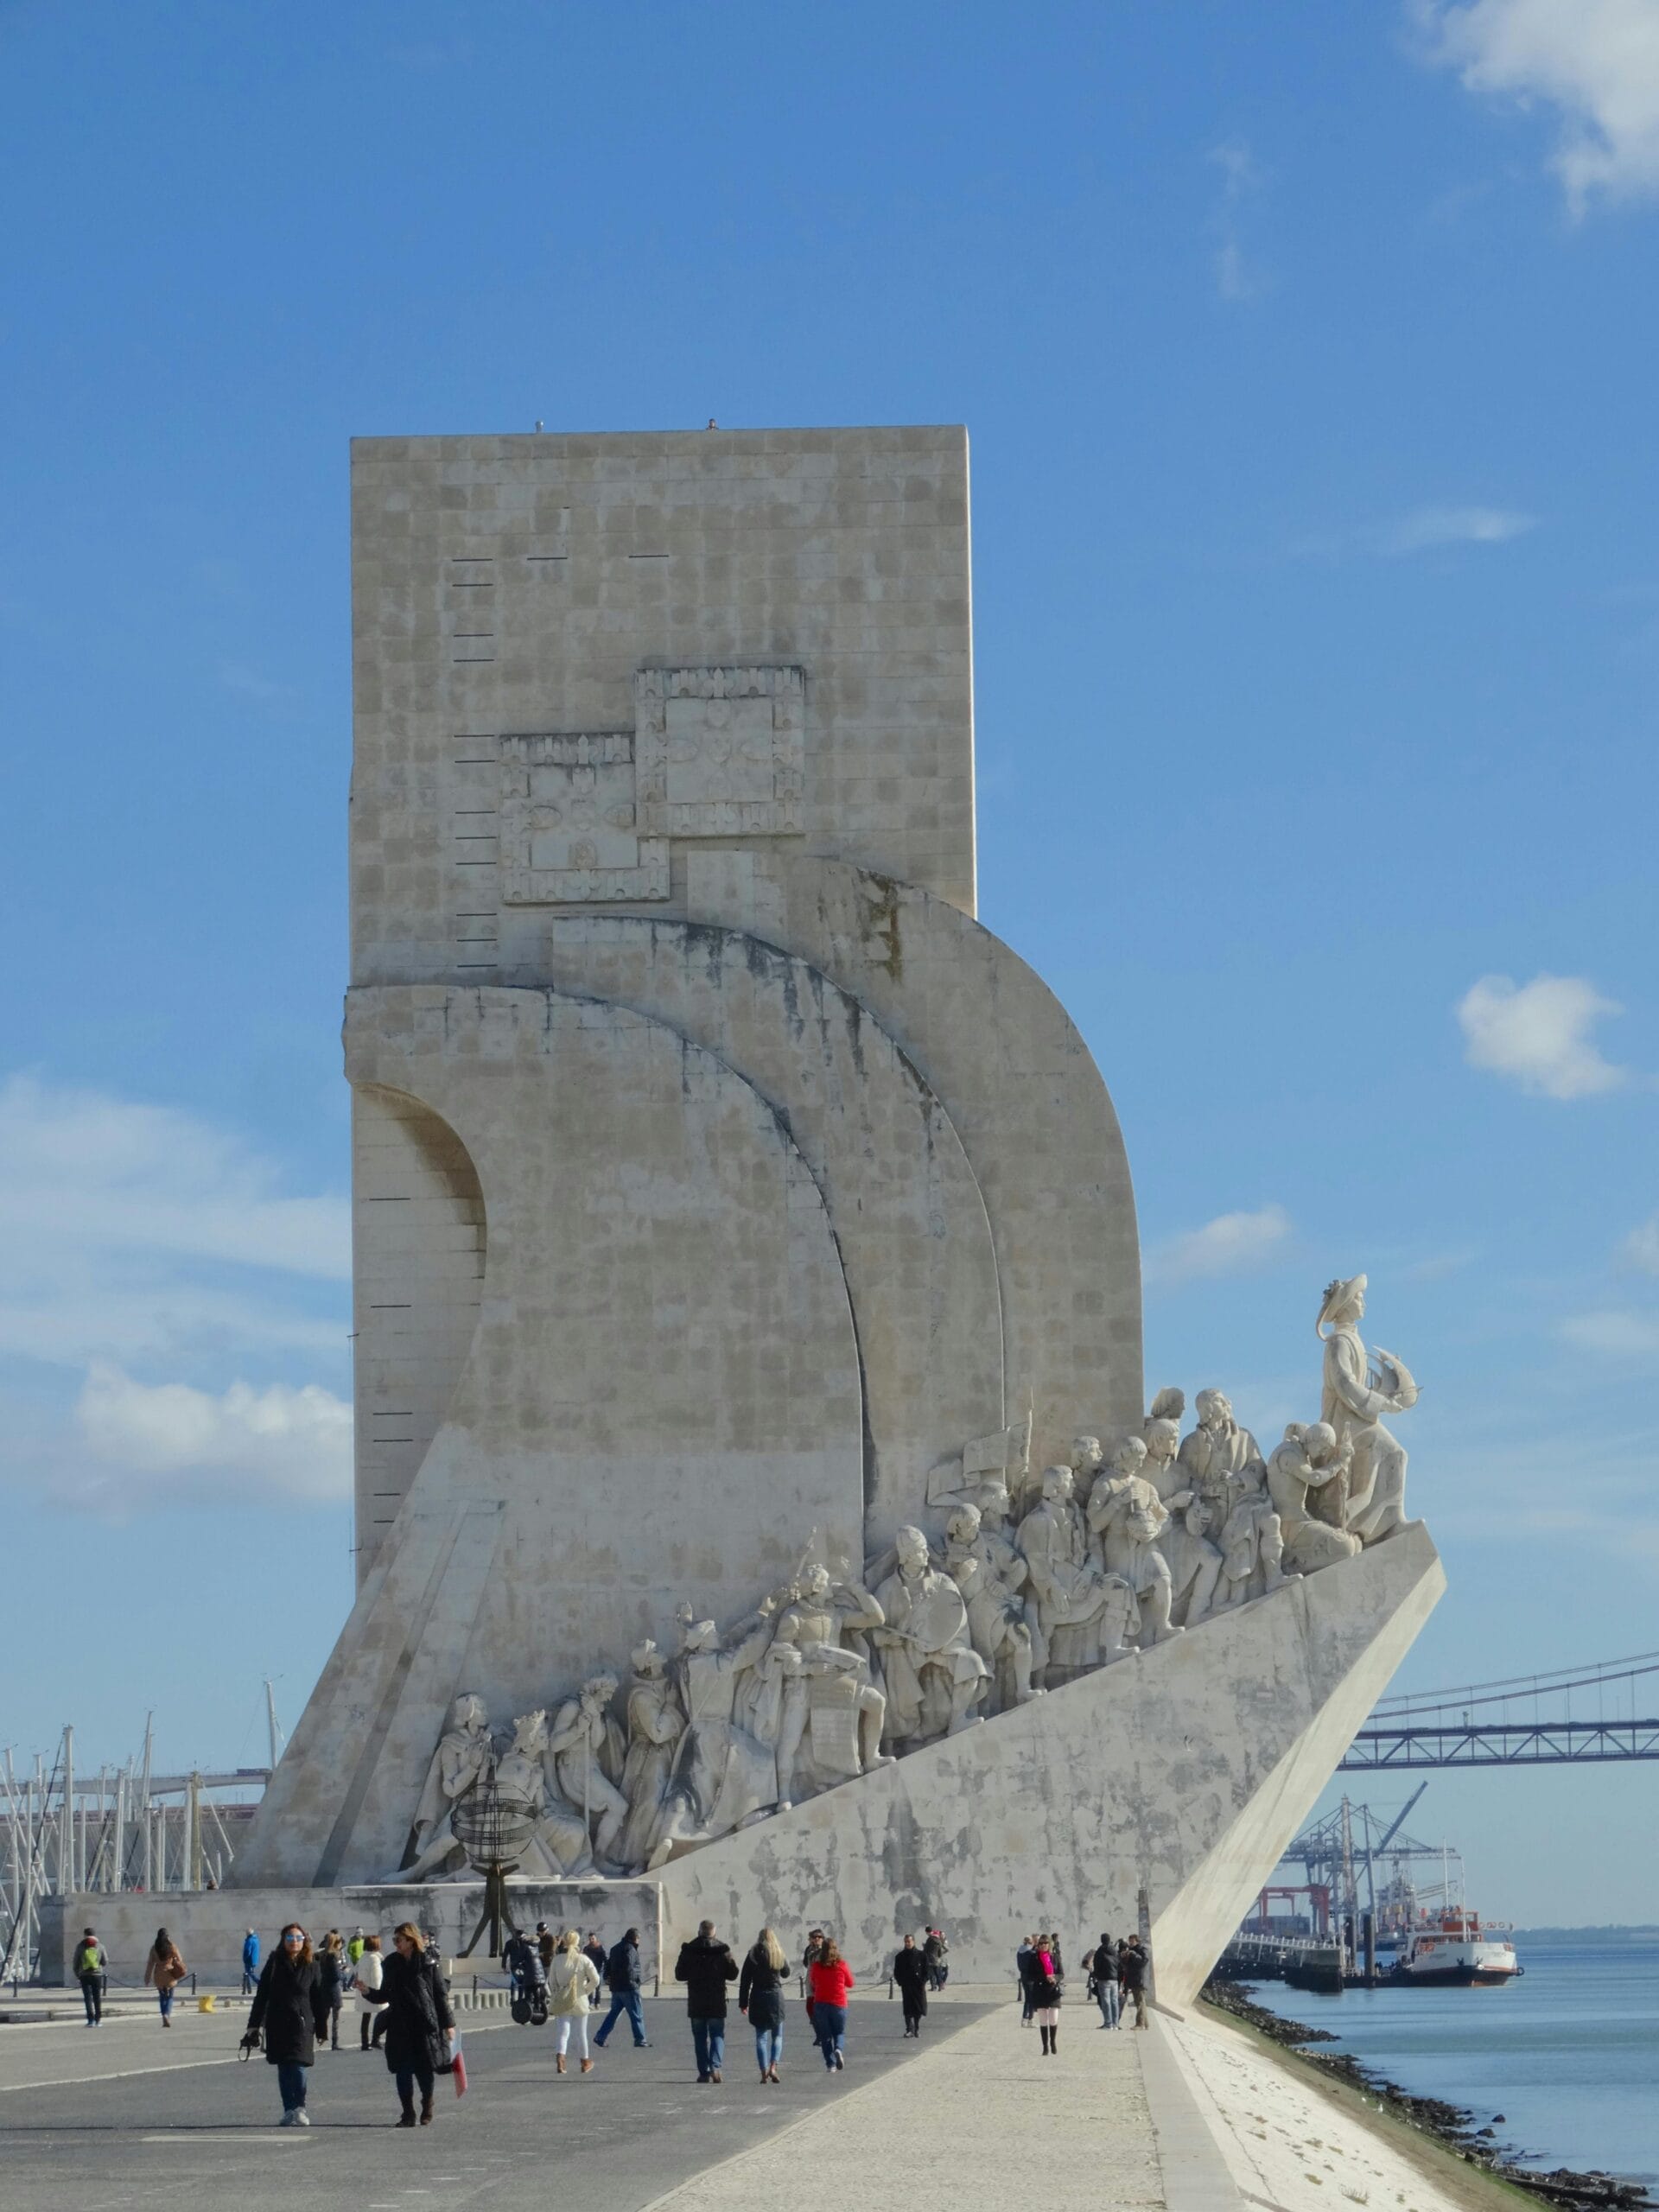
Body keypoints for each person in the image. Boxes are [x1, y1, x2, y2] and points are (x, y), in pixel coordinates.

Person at [365, 1922, 456, 2126]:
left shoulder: (428, 1963)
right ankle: (408, 2113)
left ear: (411, 1940)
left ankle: (427, 2104)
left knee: (424, 2072)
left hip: (424, 2025)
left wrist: (449, 2025)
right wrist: (367, 1992)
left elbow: (440, 1996)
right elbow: (384, 1995)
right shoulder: (390, 1963)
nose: (396, 1944)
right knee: (403, 2071)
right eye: (394, 1940)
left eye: (399, 1940)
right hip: (399, 2025)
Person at [244, 1923, 331, 2127]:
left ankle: (300, 2107)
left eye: (298, 1938)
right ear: (283, 1941)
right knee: (284, 2069)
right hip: (277, 2022)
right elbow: (262, 1995)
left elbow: (319, 1998)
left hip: (302, 2024)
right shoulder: (274, 1963)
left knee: (299, 2067)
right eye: (290, 1938)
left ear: (304, 1941)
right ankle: (288, 2109)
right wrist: (253, 2025)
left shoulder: (312, 1964)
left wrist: (322, 2028)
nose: (294, 1942)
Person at [675, 1917, 738, 2083]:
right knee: (717, 2034)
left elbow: (679, 1974)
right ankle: (716, 2067)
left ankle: (703, 2072)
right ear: (714, 1932)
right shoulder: (722, 1950)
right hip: (716, 1998)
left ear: (699, 1932)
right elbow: (733, 1974)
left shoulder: (689, 1950)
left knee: (700, 2037)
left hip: (697, 1999)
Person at [547, 1928, 601, 2075]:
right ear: (577, 1942)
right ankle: (585, 2062)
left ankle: (561, 2060)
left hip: (563, 2000)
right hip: (580, 2000)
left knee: (563, 2032)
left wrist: (558, 1993)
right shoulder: (583, 1959)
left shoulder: (557, 1960)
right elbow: (596, 1980)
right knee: (581, 2033)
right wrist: (586, 1991)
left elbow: (552, 1982)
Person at [738, 1927, 788, 2082]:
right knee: (777, 2035)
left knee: (761, 2037)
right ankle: (773, 2066)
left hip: (758, 1995)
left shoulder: (753, 1954)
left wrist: (743, 2003)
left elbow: (745, 1980)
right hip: (775, 1995)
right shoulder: (778, 1952)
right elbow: (786, 1973)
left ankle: (763, 2071)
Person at [594, 1925, 650, 2050]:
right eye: (638, 1939)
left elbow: (608, 1964)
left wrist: (608, 1977)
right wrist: (635, 1982)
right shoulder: (630, 1949)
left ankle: (600, 2036)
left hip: (616, 1988)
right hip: (629, 1987)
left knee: (613, 2014)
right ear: (635, 1938)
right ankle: (640, 2039)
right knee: (637, 2014)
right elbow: (630, 1968)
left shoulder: (615, 1948)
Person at [807, 1937, 855, 2071]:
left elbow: (813, 1982)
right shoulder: (842, 1965)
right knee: (839, 2032)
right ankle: (838, 2049)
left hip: (821, 2003)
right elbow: (850, 1983)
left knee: (825, 2036)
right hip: (839, 2003)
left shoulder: (817, 1966)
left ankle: (830, 2065)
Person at [143, 1928, 188, 2026]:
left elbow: (150, 1964)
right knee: (170, 1996)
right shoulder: (172, 1946)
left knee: (162, 1996)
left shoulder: (154, 1948)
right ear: (167, 1936)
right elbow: (180, 1959)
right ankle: (167, 2015)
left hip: (158, 1973)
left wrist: (147, 1977)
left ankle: (163, 2014)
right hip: (169, 1973)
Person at [1030, 1933, 1063, 2056]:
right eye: (1041, 1943)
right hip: (1040, 1990)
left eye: (1046, 1943)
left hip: (1053, 1990)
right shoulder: (1035, 1958)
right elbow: (1030, 1975)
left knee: (1053, 2019)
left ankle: (1053, 2041)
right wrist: (1045, 1977)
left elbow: (1061, 1973)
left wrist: (1055, 1978)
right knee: (1043, 2020)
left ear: (1050, 1944)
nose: (1043, 1945)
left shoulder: (1055, 1957)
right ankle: (1045, 2046)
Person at [892, 1934, 929, 2037]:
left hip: (918, 1986)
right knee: (907, 2009)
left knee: (918, 2008)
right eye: (906, 1942)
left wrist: (923, 1982)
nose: (907, 1943)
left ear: (913, 1942)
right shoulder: (900, 1956)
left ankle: (916, 2029)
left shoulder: (922, 1955)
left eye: (909, 1941)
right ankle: (909, 2029)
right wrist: (901, 1982)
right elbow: (897, 1971)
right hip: (907, 1986)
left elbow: (927, 1971)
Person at [316, 1930, 348, 2050]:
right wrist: (344, 1973)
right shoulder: (333, 1956)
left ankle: (320, 2035)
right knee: (335, 2019)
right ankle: (335, 2042)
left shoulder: (321, 1955)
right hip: (333, 1990)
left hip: (324, 1987)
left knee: (323, 2016)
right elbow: (336, 1975)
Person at [353, 1934, 386, 2049]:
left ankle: (364, 2043)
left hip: (363, 1991)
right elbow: (377, 1977)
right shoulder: (375, 1959)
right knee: (383, 2014)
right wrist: (379, 1992)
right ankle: (375, 2039)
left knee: (366, 2017)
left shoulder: (363, 1957)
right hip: (372, 1991)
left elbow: (355, 1971)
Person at [73, 1928, 106, 2027]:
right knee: (97, 1997)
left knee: (87, 1998)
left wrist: (77, 1974)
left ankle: (90, 2020)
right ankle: (98, 2020)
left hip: (84, 1975)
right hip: (97, 1975)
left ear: (85, 1935)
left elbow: (76, 1962)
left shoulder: (80, 1946)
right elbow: (105, 1961)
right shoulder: (100, 1946)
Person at [1085, 1931, 1119, 2029]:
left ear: (1101, 1940)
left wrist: (1095, 1975)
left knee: (1106, 2001)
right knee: (1114, 2001)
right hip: (1114, 1979)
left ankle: (1108, 2024)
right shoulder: (1115, 1951)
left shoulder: (1100, 1951)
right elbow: (1118, 1964)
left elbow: (1097, 1965)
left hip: (1104, 1979)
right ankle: (1115, 2024)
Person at [1118, 1935, 1149, 2029]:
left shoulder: (1142, 1950)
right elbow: (1126, 1966)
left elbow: (1143, 1962)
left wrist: (1134, 1955)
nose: (1130, 1943)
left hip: (1139, 1980)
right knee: (1140, 2002)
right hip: (1133, 1979)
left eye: (1132, 1941)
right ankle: (1146, 2024)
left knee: (1140, 2002)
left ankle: (1140, 2024)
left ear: (1137, 1941)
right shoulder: (1131, 1950)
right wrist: (1123, 1957)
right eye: (1130, 1941)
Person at [1015, 1933, 1039, 2025]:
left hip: (1023, 1976)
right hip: (1031, 1977)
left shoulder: (1019, 1952)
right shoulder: (1031, 1953)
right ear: (1031, 1943)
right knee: (1031, 1999)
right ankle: (1030, 2020)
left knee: (1027, 1999)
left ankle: (1024, 2019)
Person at [923, 1927, 949, 1991]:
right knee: (937, 1974)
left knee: (929, 1974)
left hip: (930, 1959)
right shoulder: (939, 1941)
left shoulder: (929, 1939)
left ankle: (932, 1987)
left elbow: (926, 1950)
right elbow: (940, 1952)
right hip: (937, 1960)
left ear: (927, 1932)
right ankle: (940, 1987)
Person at [241, 1928, 261, 1996]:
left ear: (247, 1934)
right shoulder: (256, 1940)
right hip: (254, 1960)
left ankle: (260, 1984)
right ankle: (248, 1990)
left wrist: (245, 1958)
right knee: (248, 1974)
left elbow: (247, 1951)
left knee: (249, 1974)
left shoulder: (249, 1941)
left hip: (249, 1960)